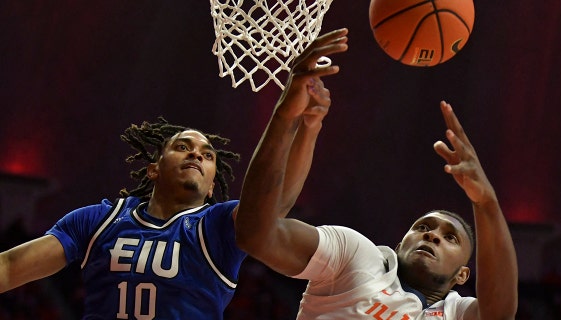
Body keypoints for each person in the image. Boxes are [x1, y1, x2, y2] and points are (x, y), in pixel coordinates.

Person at [0, 29, 349, 319]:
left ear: (213, 186)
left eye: (208, 154)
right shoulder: (96, 221)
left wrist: (310, 125)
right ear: (153, 168)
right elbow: (11, 266)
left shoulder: (219, 225)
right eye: (182, 147)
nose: (196, 152)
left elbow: (275, 205)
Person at [234, 29, 518, 319]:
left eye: (450, 238)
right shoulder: (356, 255)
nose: (432, 235)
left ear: (462, 275)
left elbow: (499, 314)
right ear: (398, 245)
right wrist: (286, 117)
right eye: (422, 227)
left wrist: (486, 203)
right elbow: (256, 235)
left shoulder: (455, 312)